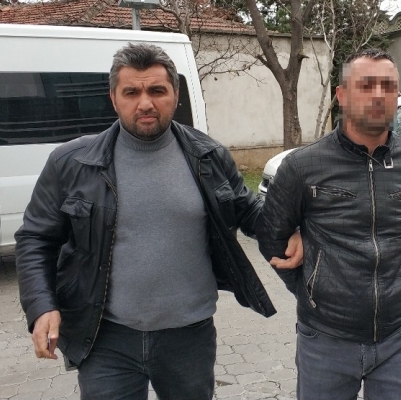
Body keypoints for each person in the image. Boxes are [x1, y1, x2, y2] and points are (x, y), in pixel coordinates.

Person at [14, 43, 301, 400]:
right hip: (106, 338)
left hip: (189, 337)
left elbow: (248, 210)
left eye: (157, 90)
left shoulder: (208, 156)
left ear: (175, 96)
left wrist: (290, 228)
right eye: (131, 92)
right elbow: (36, 239)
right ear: (113, 98)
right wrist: (42, 306)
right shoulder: (71, 163)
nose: (145, 103)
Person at [257, 48, 401, 400]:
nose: (378, 95)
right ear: (341, 95)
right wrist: (313, 287)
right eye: (366, 85)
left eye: (388, 86)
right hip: (325, 338)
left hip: (400, 336)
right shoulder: (302, 167)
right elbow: (271, 239)